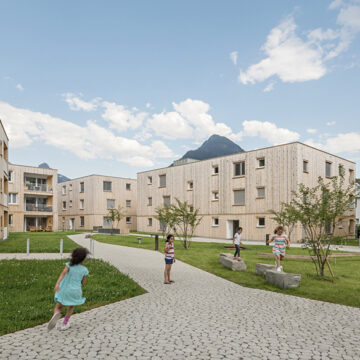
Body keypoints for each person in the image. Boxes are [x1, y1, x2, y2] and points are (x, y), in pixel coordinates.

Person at [47, 247, 89, 331]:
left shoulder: (69, 265)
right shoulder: (85, 270)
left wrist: (57, 284)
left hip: (64, 290)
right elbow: (83, 282)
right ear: (83, 259)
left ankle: (56, 314)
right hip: (76, 291)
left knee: (58, 306)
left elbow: (62, 274)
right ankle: (65, 323)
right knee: (71, 306)